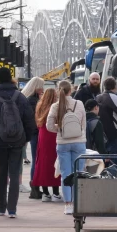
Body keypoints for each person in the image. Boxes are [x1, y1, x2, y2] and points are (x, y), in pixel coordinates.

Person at [0, 67, 36, 218]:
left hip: (0, 141)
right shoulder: (20, 97)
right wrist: (25, 138)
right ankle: (12, 209)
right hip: (18, 141)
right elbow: (30, 120)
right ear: (11, 78)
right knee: (14, 173)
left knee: (2, 174)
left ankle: (1, 208)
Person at [47, 80, 86, 215]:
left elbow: (49, 126)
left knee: (65, 174)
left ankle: (68, 204)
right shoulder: (79, 104)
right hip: (79, 142)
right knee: (79, 173)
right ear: (71, 90)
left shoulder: (55, 106)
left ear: (59, 90)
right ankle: (78, 202)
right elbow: (83, 124)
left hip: (63, 143)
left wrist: (60, 129)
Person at [33, 88, 61, 202]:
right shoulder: (55, 107)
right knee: (55, 161)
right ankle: (56, 192)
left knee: (43, 162)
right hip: (53, 134)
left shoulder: (39, 106)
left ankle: (45, 192)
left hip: (43, 134)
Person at [96, 77, 117, 165]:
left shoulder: (98, 97)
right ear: (115, 86)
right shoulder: (114, 98)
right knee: (115, 164)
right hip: (114, 134)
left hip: (100, 135)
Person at [21, 77, 45, 199]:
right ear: (36, 87)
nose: (42, 89)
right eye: (41, 86)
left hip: (33, 133)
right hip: (36, 133)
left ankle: (35, 186)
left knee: (36, 159)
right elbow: (34, 118)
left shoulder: (29, 99)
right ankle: (34, 187)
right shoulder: (33, 100)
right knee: (36, 160)